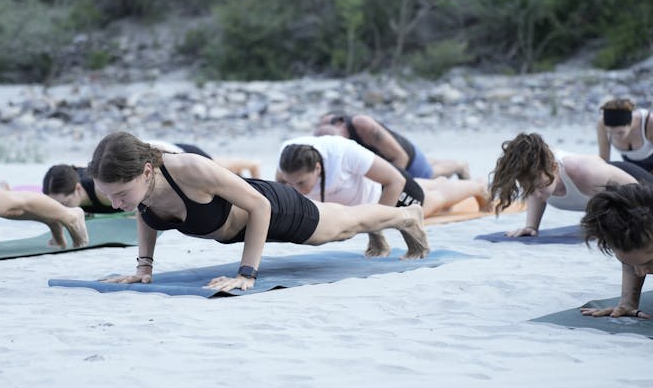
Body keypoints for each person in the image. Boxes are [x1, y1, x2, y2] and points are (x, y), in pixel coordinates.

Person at [87, 132, 429, 293]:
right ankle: (386, 223)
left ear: (147, 171)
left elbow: (259, 205)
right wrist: (144, 267)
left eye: (120, 194)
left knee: (340, 228)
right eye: (109, 196)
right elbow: (145, 213)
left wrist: (247, 274)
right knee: (343, 220)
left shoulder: (190, 170)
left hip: (275, 207)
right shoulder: (140, 192)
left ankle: (407, 217)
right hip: (246, 222)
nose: (116, 204)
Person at [276, 135, 489, 255]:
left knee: (435, 201)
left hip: (386, 191)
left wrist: (376, 229)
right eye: (290, 183)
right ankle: (444, 178)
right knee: (430, 187)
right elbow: (281, 187)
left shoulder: (344, 153)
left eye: (302, 183)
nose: (297, 189)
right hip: (362, 196)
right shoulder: (287, 158)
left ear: (318, 168)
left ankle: (477, 186)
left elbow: (395, 180)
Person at [490, 132, 653, 237]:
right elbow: (536, 192)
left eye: (538, 186)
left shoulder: (586, 172)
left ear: (554, 168)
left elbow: (638, 192)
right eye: (527, 188)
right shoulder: (537, 175)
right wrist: (531, 226)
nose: (535, 193)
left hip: (635, 181)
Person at [41, 141, 260, 214]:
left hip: (173, 154)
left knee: (221, 173)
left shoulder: (103, 189)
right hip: (154, 155)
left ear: (78, 190)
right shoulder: (78, 179)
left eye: (65, 204)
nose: (63, 209)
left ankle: (252, 165)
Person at [580, 182, 653, 319]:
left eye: (650, 262)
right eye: (628, 262)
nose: (640, 272)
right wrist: (628, 303)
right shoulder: (639, 233)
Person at [316, 111, 470, 179]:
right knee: (425, 164)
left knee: (427, 175)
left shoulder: (363, 125)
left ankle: (459, 165)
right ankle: (429, 160)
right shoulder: (324, 128)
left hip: (403, 155)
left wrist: (391, 188)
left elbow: (400, 157)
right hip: (381, 156)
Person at [596, 98, 653, 181]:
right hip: (633, 160)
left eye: (620, 132)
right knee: (638, 188)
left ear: (631, 123)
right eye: (610, 132)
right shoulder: (602, 124)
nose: (616, 137)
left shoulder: (650, 123)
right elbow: (604, 161)